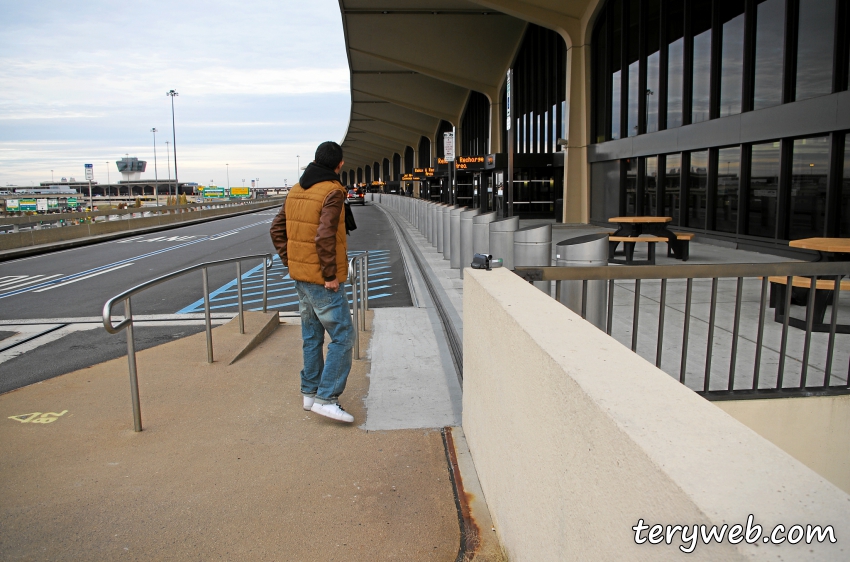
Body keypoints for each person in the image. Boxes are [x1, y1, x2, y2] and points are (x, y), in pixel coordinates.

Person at [269, 141, 355, 423]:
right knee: (343, 336)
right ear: (339, 165)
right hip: (322, 279)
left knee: (312, 335)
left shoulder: (295, 189)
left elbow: (276, 229)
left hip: (301, 278)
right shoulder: (333, 191)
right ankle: (326, 398)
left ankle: (310, 392)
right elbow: (326, 235)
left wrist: (291, 261)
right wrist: (329, 275)